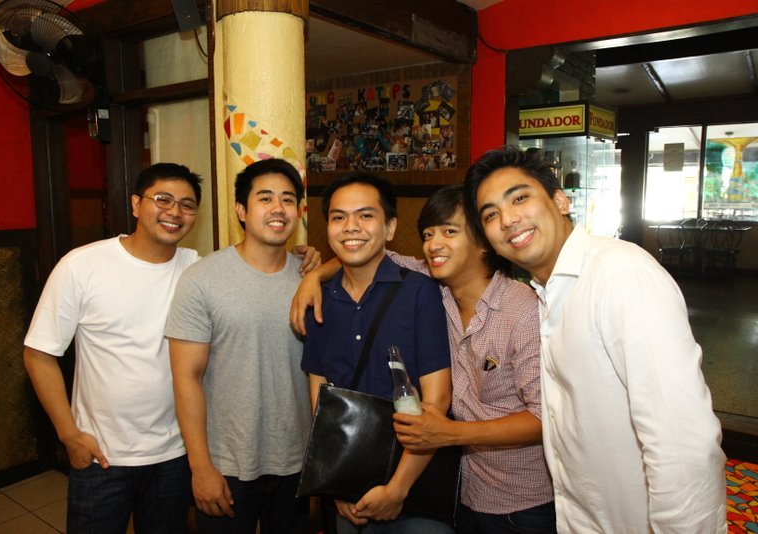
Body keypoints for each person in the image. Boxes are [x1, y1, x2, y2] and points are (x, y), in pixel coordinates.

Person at [462, 145, 726, 533]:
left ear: (560, 201)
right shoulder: (548, 293)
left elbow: (682, 441)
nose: (508, 219)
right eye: (491, 214)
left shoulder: (618, 273)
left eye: (519, 198)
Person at [294, 186, 556, 533]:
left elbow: (545, 418)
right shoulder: (436, 283)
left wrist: (450, 434)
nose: (434, 245)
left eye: (449, 231)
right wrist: (314, 276)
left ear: (483, 241)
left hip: (521, 502)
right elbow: (361, 250)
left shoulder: (521, 311)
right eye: (428, 234)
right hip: (463, 492)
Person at [23, 162, 203, 533]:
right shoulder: (82, 266)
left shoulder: (197, 270)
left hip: (174, 454)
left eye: (187, 205)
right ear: (136, 204)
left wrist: (307, 263)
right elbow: (38, 355)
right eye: (163, 199)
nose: (174, 212)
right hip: (101, 455)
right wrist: (69, 435)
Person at [166, 158, 318, 534]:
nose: (278, 208)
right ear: (241, 211)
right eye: (265, 198)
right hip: (226, 463)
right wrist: (201, 467)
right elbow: (186, 379)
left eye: (287, 199)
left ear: (298, 211)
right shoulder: (202, 279)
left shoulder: (311, 279)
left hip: (296, 460)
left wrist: (322, 269)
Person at [301, 172, 453, 534]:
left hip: (416, 490)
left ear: (390, 227)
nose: (351, 227)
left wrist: (397, 489)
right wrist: (338, 483)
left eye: (366, 215)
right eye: (338, 217)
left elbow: (438, 400)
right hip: (348, 491)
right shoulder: (318, 302)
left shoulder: (420, 292)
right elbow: (320, 400)